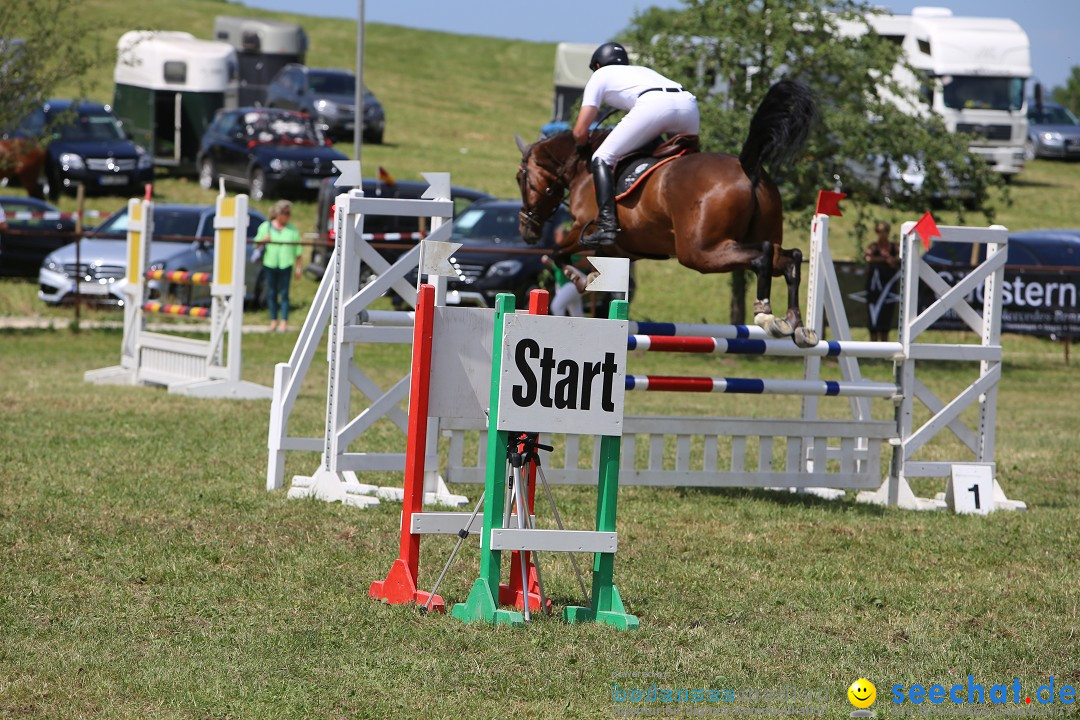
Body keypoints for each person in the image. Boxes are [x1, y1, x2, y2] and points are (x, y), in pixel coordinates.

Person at [572, 41, 699, 248]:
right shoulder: (641, 71)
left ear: (597, 65)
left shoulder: (600, 75)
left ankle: (607, 225)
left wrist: (582, 145)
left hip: (655, 105)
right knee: (684, 161)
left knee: (602, 157)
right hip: (688, 104)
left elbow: (579, 131)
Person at [255, 200, 304, 332]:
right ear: (278, 214)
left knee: (284, 293)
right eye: (285, 213)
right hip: (269, 263)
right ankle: (273, 320)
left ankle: (284, 321)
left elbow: (298, 251)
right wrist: (264, 240)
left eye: (289, 213)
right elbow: (256, 243)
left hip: (286, 264)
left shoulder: (292, 229)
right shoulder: (266, 227)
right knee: (271, 292)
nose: (287, 216)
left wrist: (299, 268)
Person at [863, 220, 901, 342]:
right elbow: (868, 257)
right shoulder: (873, 247)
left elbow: (903, 257)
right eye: (879, 232)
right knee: (873, 320)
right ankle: (872, 349)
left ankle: (884, 348)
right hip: (874, 289)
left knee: (886, 319)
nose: (881, 235)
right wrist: (885, 260)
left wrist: (894, 260)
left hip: (889, 288)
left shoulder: (894, 248)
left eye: (884, 232)